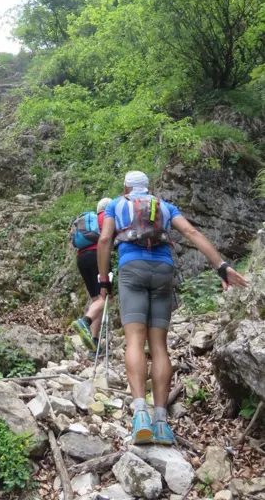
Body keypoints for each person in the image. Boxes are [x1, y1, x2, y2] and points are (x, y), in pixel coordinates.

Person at [97, 170, 247, 446]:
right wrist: (222, 266)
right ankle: (161, 422)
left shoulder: (116, 205)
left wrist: (103, 280)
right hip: (163, 270)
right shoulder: (164, 206)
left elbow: (105, 239)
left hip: (132, 269)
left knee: (134, 341)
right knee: (159, 346)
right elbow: (191, 232)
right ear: (149, 188)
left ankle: (140, 416)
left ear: (125, 188)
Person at [70, 197, 112, 354]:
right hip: (97, 256)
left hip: (81, 258)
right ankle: (84, 322)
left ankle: (93, 344)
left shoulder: (91, 219)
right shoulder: (108, 217)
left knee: (97, 299)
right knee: (106, 298)